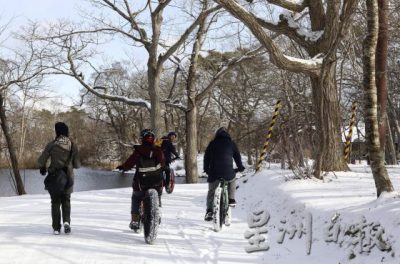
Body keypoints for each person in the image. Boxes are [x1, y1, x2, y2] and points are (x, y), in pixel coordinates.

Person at [116, 129, 165, 230]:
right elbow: (163, 164)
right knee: (158, 195)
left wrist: (123, 167)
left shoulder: (138, 151)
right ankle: (157, 214)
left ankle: (135, 220)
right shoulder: (158, 151)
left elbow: (130, 163)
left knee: (136, 197)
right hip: (157, 182)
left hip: (141, 182)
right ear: (153, 139)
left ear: (142, 139)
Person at [38, 122, 80, 234]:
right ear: (66, 131)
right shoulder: (73, 145)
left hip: (54, 177)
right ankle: (66, 222)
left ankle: (56, 228)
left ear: (57, 131)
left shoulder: (51, 144)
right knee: (66, 199)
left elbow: (41, 161)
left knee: (55, 202)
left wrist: (43, 167)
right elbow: (77, 165)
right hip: (68, 177)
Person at [203, 127, 245, 221]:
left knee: (211, 191)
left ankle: (209, 211)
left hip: (214, 172)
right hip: (228, 171)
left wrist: (206, 169)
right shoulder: (231, 144)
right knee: (232, 180)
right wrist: (240, 168)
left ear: (217, 135)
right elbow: (237, 157)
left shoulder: (212, 143)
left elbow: (206, 157)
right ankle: (231, 199)